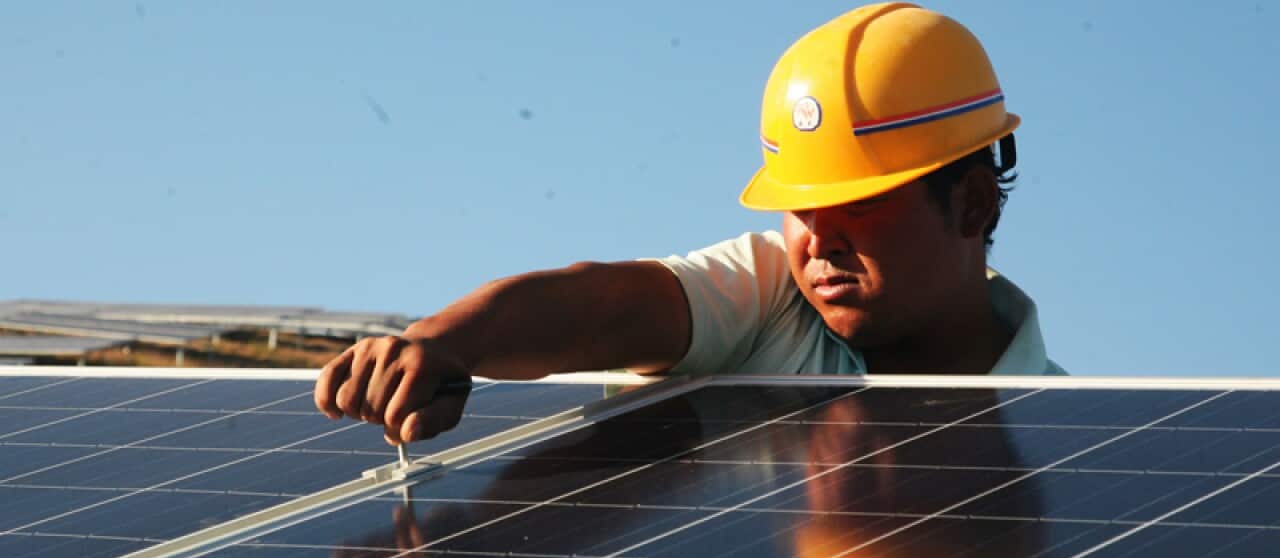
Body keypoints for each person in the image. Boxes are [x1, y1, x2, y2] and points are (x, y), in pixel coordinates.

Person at [314, 2, 1065, 445]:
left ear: (973, 203)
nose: (817, 241)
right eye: (802, 207)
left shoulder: (1069, 433)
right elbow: (602, 308)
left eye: (861, 203)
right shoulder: (776, 294)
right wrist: (445, 344)